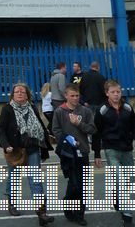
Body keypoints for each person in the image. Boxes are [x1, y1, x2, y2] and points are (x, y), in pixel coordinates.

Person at [0, 83, 54, 225]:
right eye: (17, 92)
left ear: (27, 94)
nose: (20, 94)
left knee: (35, 179)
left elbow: (40, 125)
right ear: (13, 95)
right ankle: (12, 203)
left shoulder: (32, 107)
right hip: (15, 149)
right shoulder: (7, 109)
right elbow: (1, 129)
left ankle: (42, 213)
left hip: (32, 147)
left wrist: (46, 142)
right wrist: (6, 144)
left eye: (23, 91)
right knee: (14, 178)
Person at [92, 80, 135, 226]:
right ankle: (127, 217)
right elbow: (96, 132)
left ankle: (116, 197)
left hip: (127, 149)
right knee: (121, 181)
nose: (116, 95)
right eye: (113, 92)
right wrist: (97, 153)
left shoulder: (128, 108)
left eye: (118, 92)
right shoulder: (102, 109)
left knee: (128, 181)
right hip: (111, 150)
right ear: (107, 93)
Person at [52, 84, 95, 226]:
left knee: (82, 184)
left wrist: (79, 124)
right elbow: (56, 131)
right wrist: (66, 140)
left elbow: (92, 129)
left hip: (83, 151)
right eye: (72, 95)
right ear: (66, 96)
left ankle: (79, 214)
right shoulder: (59, 111)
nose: (75, 98)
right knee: (73, 182)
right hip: (68, 153)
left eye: (77, 96)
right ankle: (68, 204)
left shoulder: (85, 111)